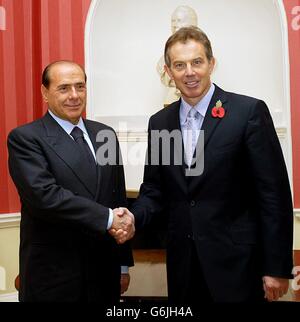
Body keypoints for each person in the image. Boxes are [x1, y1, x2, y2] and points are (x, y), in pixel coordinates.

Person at [114, 27, 294, 303]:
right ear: (168, 72)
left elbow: (273, 195)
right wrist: (134, 218)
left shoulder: (248, 112)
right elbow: (154, 189)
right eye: (179, 65)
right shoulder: (160, 123)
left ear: (212, 63)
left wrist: (276, 267)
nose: (189, 72)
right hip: (183, 267)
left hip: (239, 266)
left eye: (197, 62)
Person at [7, 60, 135, 302]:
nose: (74, 96)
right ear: (45, 93)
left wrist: (123, 266)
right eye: (64, 88)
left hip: (104, 272)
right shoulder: (26, 138)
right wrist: (108, 219)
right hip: (54, 276)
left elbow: (116, 197)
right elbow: (45, 197)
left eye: (80, 87)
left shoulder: (104, 134)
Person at [157, 5, 198, 106]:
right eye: (173, 21)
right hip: (172, 101)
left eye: (179, 20)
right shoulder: (164, 59)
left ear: (191, 23)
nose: (174, 25)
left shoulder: (205, 56)